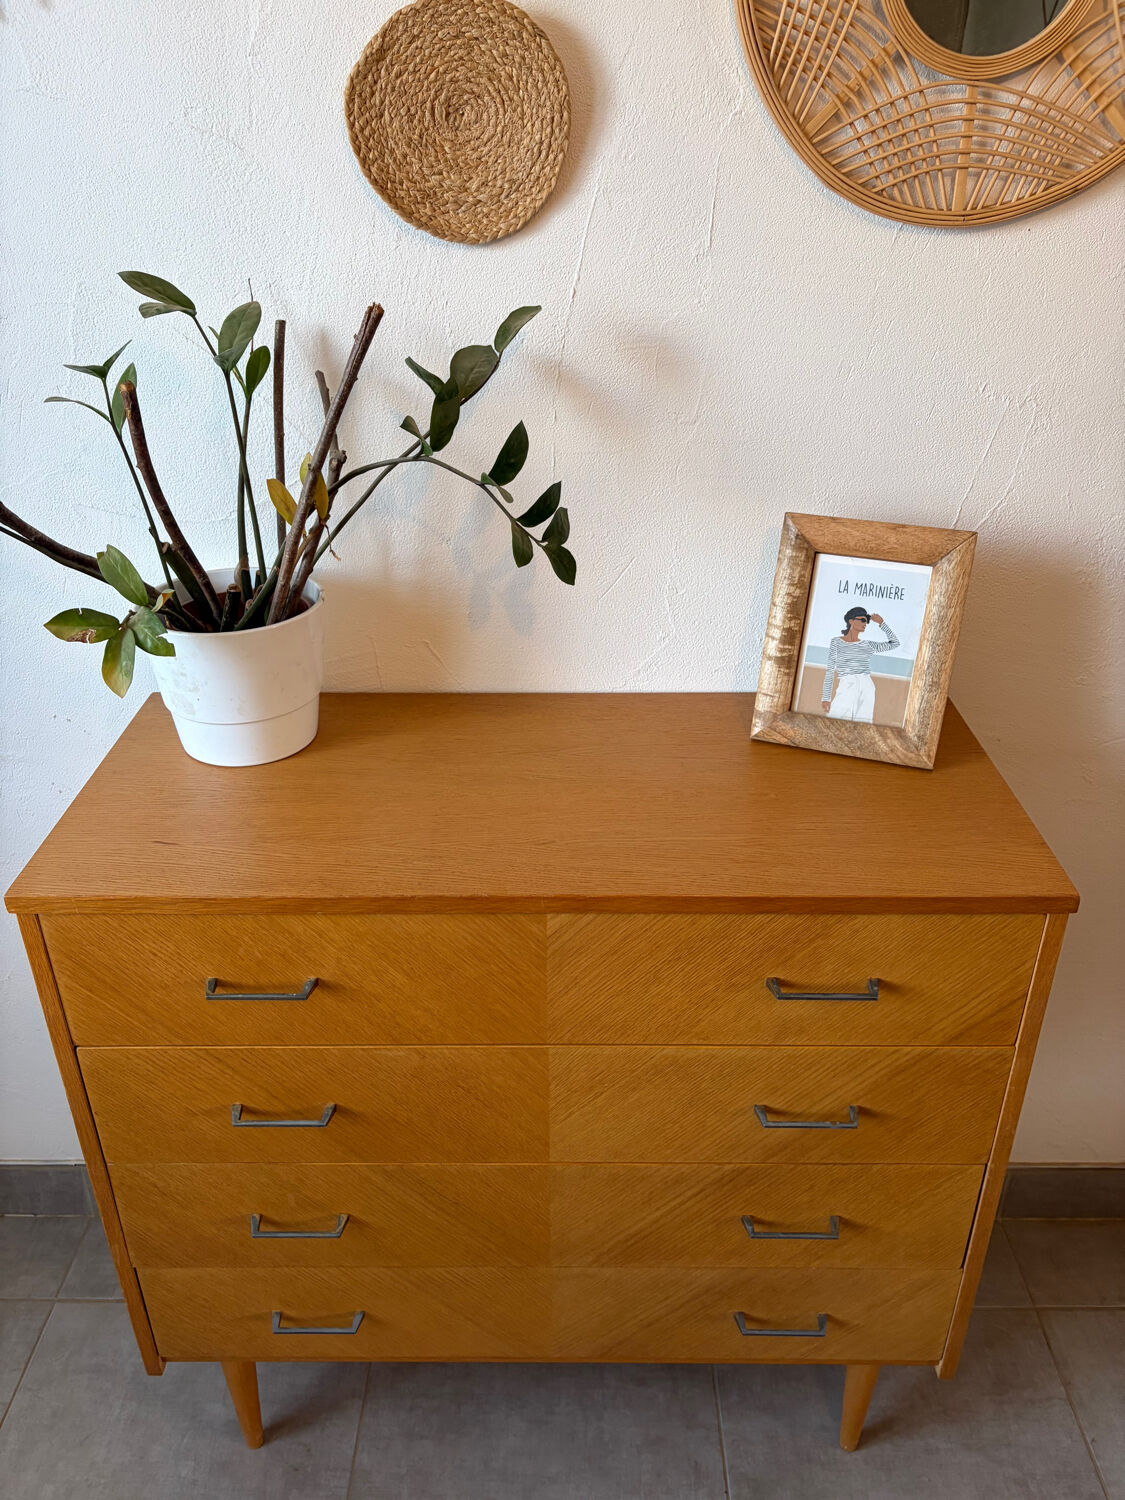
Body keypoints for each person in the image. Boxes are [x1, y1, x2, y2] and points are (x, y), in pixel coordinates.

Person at [820, 607, 900, 722]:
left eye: (867, 621)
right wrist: (826, 698)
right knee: (835, 722)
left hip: (866, 685)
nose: (866, 623)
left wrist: (881, 623)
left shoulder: (867, 645)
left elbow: (895, 643)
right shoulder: (836, 642)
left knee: (864, 724)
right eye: (862, 620)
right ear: (851, 621)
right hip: (847, 684)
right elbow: (830, 670)